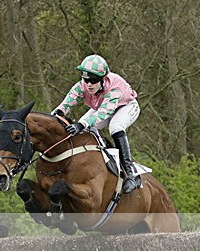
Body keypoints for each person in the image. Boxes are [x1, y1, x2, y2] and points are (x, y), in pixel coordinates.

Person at [51, 54, 142, 194]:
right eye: (86, 80)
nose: (89, 84)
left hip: (126, 106)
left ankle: (131, 174)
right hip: (103, 108)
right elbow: (65, 104)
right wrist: (53, 116)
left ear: (103, 79)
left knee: (115, 127)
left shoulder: (114, 87)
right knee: (85, 130)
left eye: (93, 80)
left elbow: (103, 113)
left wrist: (80, 124)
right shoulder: (81, 86)